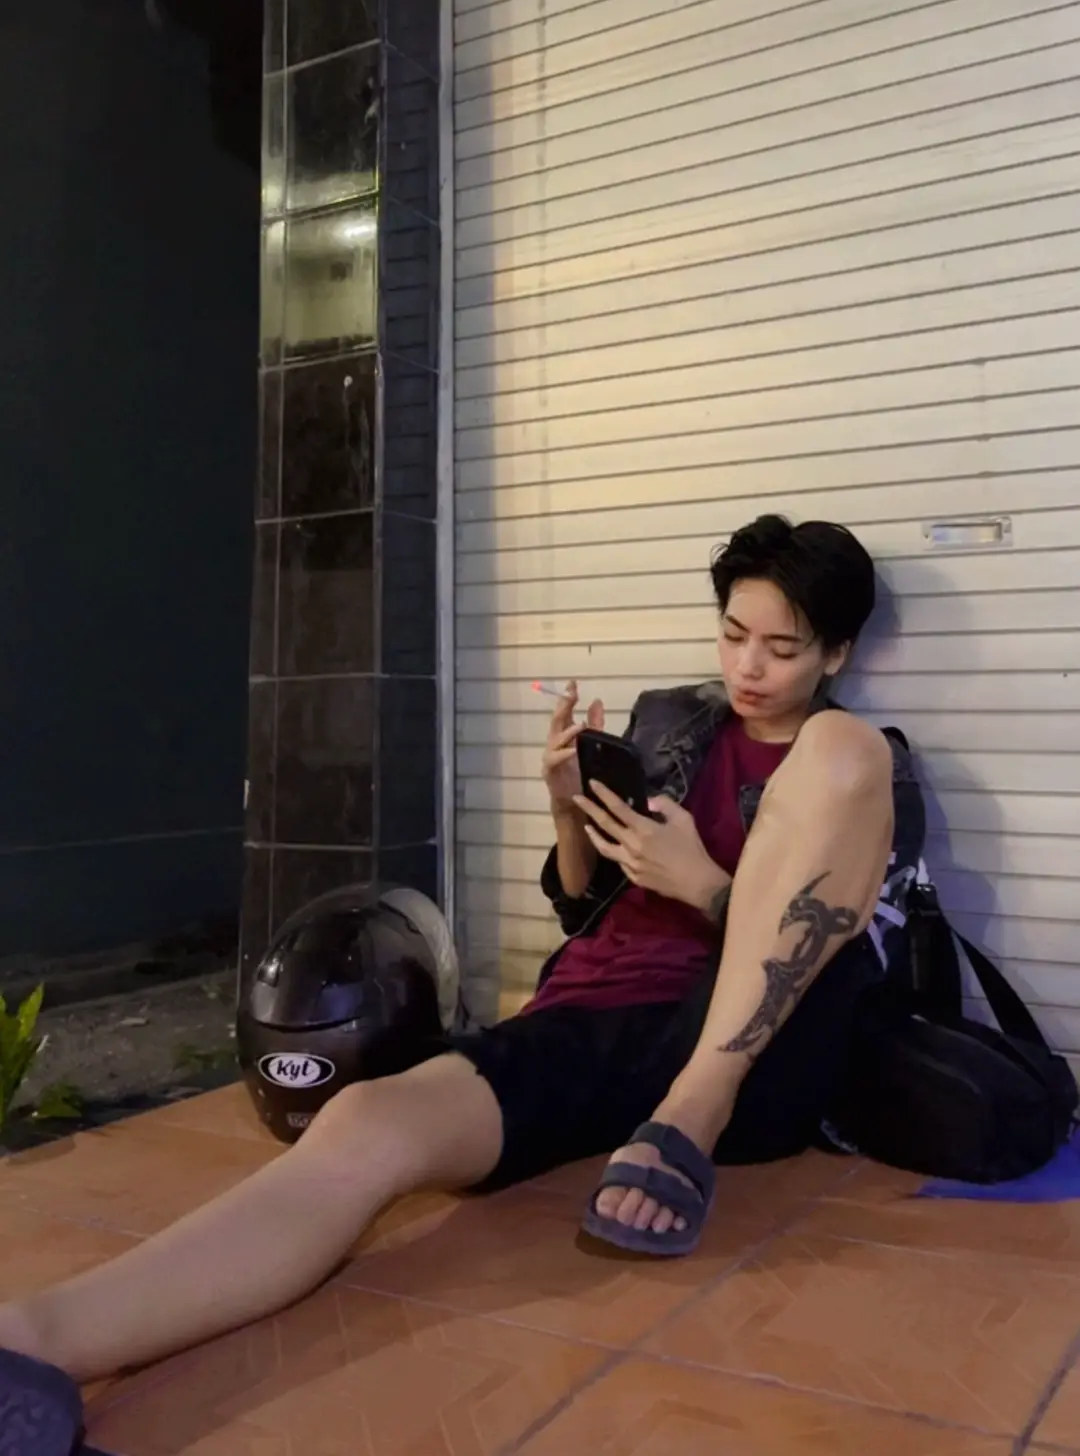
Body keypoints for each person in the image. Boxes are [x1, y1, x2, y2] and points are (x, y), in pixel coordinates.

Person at [0, 515, 926, 1388]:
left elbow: (834, 946)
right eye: (733, 635)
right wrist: (566, 805)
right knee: (365, 1121)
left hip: (735, 1050)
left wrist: (705, 886)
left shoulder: (855, 767)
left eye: (782, 648)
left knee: (845, 746)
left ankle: (690, 1114)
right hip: (592, 1020)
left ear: (836, 654)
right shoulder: (674, 728)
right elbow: (582, 905)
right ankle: (37, 1344)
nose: (747, 666)